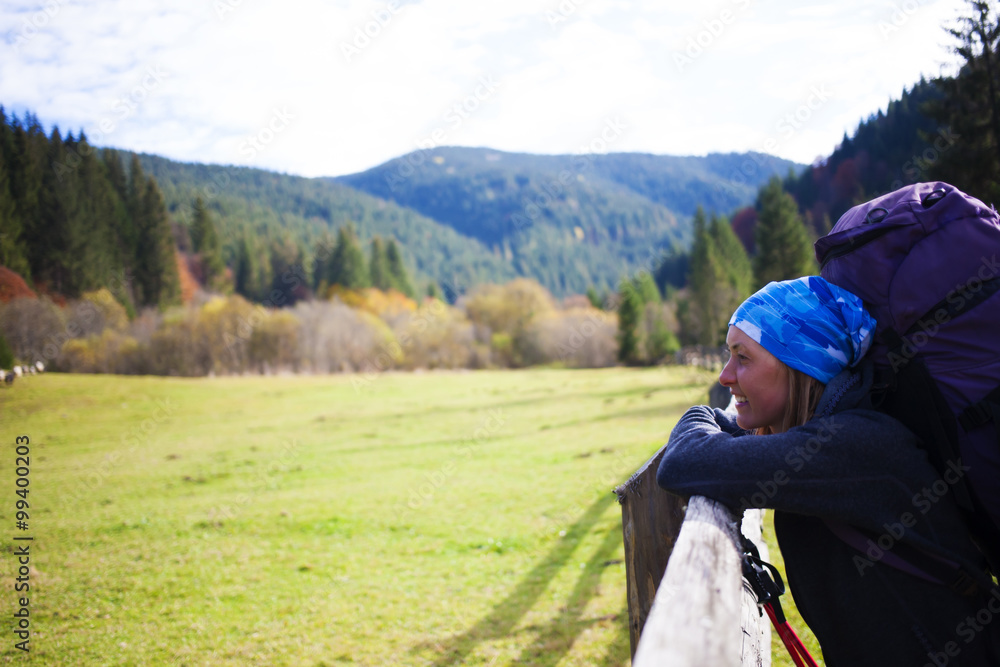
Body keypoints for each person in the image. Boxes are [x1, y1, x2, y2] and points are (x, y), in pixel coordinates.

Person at [656, 276, 1000, 667]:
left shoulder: (852, 446)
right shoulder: (836, 432)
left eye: (743, 357)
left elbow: (686, 461)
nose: (725, 375)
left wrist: (699, 415)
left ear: (800, 363)